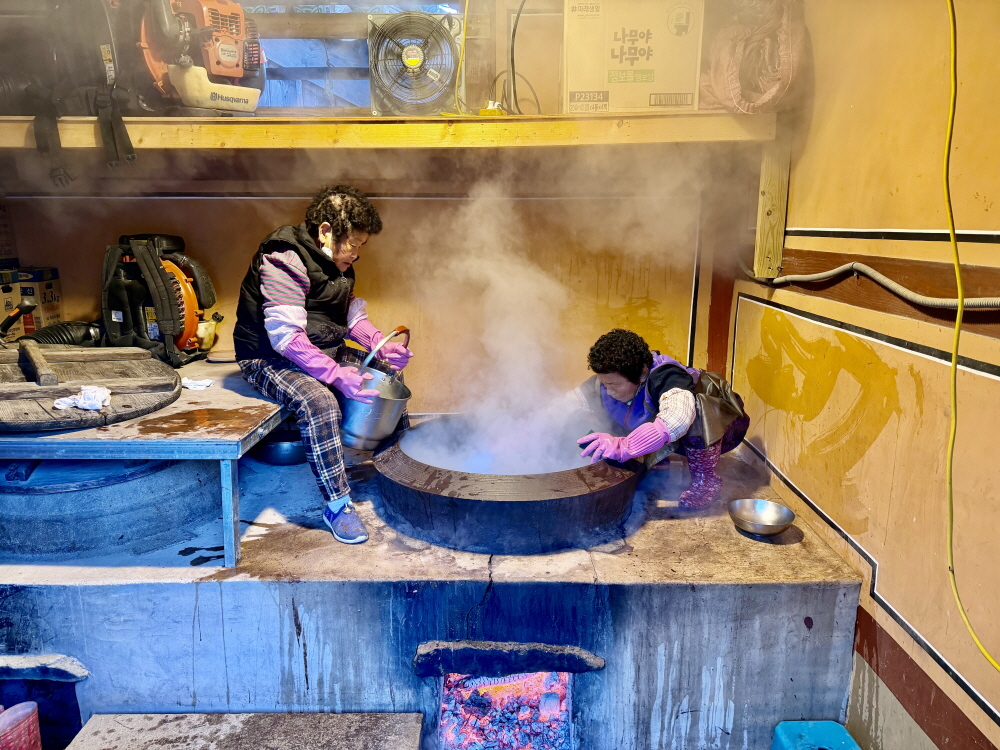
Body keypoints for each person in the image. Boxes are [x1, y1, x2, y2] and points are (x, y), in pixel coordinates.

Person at [233, 185, 413, 544]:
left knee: (388, 374)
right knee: (320, 402)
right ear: (326, 231)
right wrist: (333, 374)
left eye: (362, 245)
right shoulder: (284, 257)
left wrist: (380, 345)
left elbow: (348, 315)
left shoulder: (339, 264)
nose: (357, 253)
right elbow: (286, 338)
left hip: (319, 348)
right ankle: (337, 505)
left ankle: (398, 468)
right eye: (354, 244)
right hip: (268, 357)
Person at [574, 329, 749, 509]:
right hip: (672, 434)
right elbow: (568, 403)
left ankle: (706, 482)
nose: (609, 391)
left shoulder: (666, 376)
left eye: (615, 385)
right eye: (606, 383)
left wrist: (624, 446)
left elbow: (677, 421)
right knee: (598, 405)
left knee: (695, 410)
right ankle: (656, 458)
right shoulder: (607, 381)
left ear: (642, 374)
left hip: (724, 429)